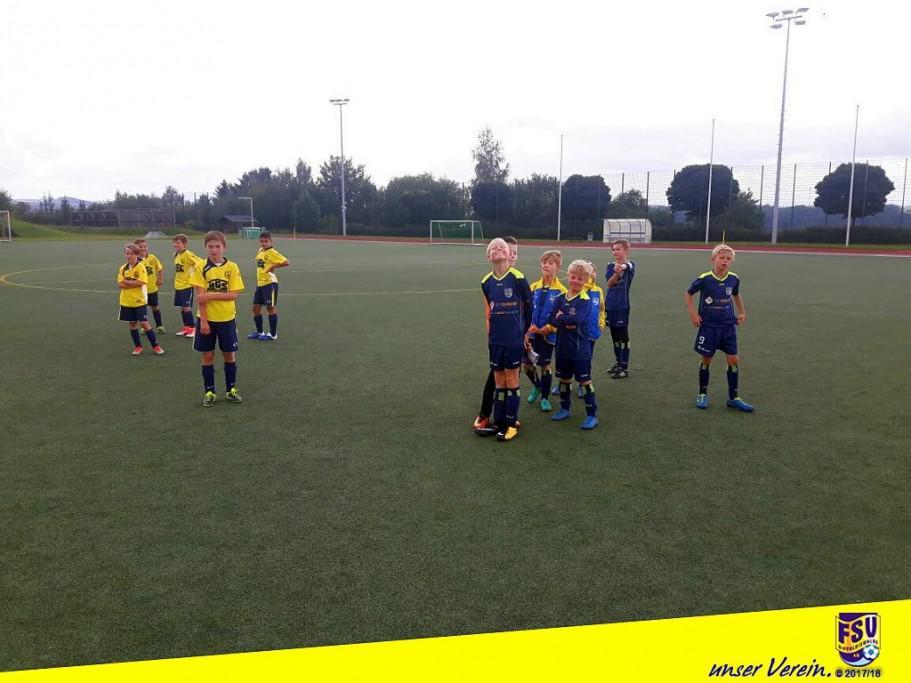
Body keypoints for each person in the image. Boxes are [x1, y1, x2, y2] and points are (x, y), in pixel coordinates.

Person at [684, 243, 754, 412]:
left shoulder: (734, 279)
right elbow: (688, 293)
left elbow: (736, 294)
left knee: (734, 360)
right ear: (713, 259)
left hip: (728, 326)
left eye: (728, 259)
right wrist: (693, 314)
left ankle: (733, 397)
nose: (725, 261)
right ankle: (702, 394)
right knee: (707, 359)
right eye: (721, 258)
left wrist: (742, 312)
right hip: (709, 327)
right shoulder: (705, 278)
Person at [476, 237, 532, 441]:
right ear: (488, 256)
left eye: (502, 247)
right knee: (499, 381)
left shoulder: (518, 278)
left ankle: (511, 423)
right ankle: (498, 422)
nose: (498, 249)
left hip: (513, 339)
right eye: (493, 248)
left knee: (511, 379)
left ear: (509, 254)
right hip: (495, 340)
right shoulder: (486, 282)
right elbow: (489, 311)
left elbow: (529, 307)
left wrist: (524, 333)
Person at [189, 231, 245, 407]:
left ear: (224, 247)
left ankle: (231, 389)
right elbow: (200, 298)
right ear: (205, 247)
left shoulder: (232, 267)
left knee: (229, 354)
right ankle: (210, 391)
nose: (214, 250)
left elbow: (233, 295)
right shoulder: (200, 267)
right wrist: (204, 321)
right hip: (207, 319)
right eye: (210, 246)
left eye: (217, 246)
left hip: (227, 318)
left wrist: (210, 295)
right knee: (207, 355)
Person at [544, 259, 598, 429]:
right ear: (568, 276)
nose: (575, 281)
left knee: (585, 381)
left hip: (580, 350)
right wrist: (564, 321)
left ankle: (592, 415)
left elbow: (576, 320)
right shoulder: (560, 298)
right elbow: (551, 319)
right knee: (564, 380)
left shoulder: (584, 300)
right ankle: (565, 409)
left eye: (580, 279)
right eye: (573, 277)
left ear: (586, 280)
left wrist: (561, 317)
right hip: (562, 348)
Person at [525, 250, 566, 412]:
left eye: (550, 263)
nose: (546, 265)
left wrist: (549, 328)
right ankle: (538, 386)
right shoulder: (533, 287)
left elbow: (561, 315)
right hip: (531, 333)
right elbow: (526, 310)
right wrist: (528, 327)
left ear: (558, 267)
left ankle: (545, 398)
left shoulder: (561, 291)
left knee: (545, 365)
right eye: (544, 262)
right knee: (526, 365)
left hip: (548, 336)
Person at [117, 243, 164, 356]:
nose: (128, 256)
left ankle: (155, 346)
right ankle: (138, 346)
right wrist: (132, 283)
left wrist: (127, 282)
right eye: (127, 253)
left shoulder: (141, 267)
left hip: (139, 301)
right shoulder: (122, 268)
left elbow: (141, 282)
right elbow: (120, 284)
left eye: (131, 254)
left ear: (136, 255)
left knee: (144, 323)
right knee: (132, 324)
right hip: (126, 301)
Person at [248, 231, 290, 341]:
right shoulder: (260, 251)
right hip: (260, 283)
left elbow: (286, 262)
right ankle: (259, 332)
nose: (263, 243)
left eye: (266, 241)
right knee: (256, 308)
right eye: (261, 241)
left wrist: (272, 267)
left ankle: (272, 334)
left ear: (271, 241)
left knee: (270, 308)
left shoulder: (272, 252)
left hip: (270, 283)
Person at [605, 239, 635, 378]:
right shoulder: (610, 266)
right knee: (614, 337)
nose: (615, 252)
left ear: (626, 250)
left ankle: (624, 367)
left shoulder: (630, 265)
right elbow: (610, 283)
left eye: (618, 249)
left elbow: (628, 266)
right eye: (613, 249)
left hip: (622, 306)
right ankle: (618, 363)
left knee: (624, 337)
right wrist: (616, 273)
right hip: (610, 305)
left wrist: (621, 268)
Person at [578, 261, 605, 398]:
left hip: (592, 331)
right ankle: (562, 382)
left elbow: (601, 309)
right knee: (573, 357)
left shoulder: (598, 291)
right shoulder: (579, 289)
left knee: (587, 358)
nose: (591, 274)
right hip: (578, 332)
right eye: (588, 271)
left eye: (593, 271)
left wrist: (601, 324)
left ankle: (583, 384)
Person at [172, 234, 204, 338]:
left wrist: (194, 274)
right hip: (178, 285)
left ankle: (193, 328)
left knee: (186, 307)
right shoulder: (177, 255)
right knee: (182, 308)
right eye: (174, 243)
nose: (176, 244)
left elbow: (200, 262)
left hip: (186, 285)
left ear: (184, 244)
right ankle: (187, 327)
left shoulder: (188, 254)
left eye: (178, 243)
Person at [134, 237, 166, 333]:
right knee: (142, 309)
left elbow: (160, 268)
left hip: (152, 289)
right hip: (140, 290)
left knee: (155, 307)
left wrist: (160, 279)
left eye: (145, 246)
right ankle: (144, 327)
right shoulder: (135, 261)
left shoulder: (152, 258)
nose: (143, 248)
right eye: (140, 247)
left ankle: (159, 326)